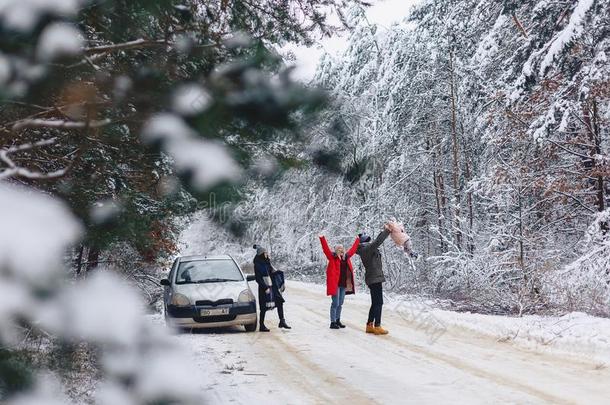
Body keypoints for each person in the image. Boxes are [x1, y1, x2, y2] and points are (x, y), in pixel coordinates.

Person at [319, 234, 360, 329]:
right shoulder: (332, 257)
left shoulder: (346, 257)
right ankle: (332, 322)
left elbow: (353, 250)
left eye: (342, 248)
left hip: (343, 284)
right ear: (336, 250)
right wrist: (322, 238)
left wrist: (357, 240)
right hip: (336, 284)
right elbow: (325, 249)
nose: (341, 250)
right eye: (339, 248)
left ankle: (337, 320)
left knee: (340, 303)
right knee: (335, 303)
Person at [356, 225, 391, 335]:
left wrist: (385, 230)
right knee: (379, 303)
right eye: (368, 240)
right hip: (374, 278)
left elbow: (376, 241)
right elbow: (377, 242)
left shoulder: (366, 249)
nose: (369, 241)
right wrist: (387, 231)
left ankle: (369, 325)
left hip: (374, 278)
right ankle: (377, 326)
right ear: (364, 242)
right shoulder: (366, 249)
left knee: (375, 303)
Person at [253, 245, 291, 332]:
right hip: (264, 288)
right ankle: (261, 325)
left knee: (279, 301)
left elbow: (272, 272)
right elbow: (258, 278)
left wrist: (279, 274)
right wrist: (265, 287)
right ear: (261, 254)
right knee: (263, 308)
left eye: (267, 253)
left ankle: (282, 321)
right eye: (265, 253)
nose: (267, 254)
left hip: (272, 286)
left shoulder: (267, 262)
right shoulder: (257, 264)